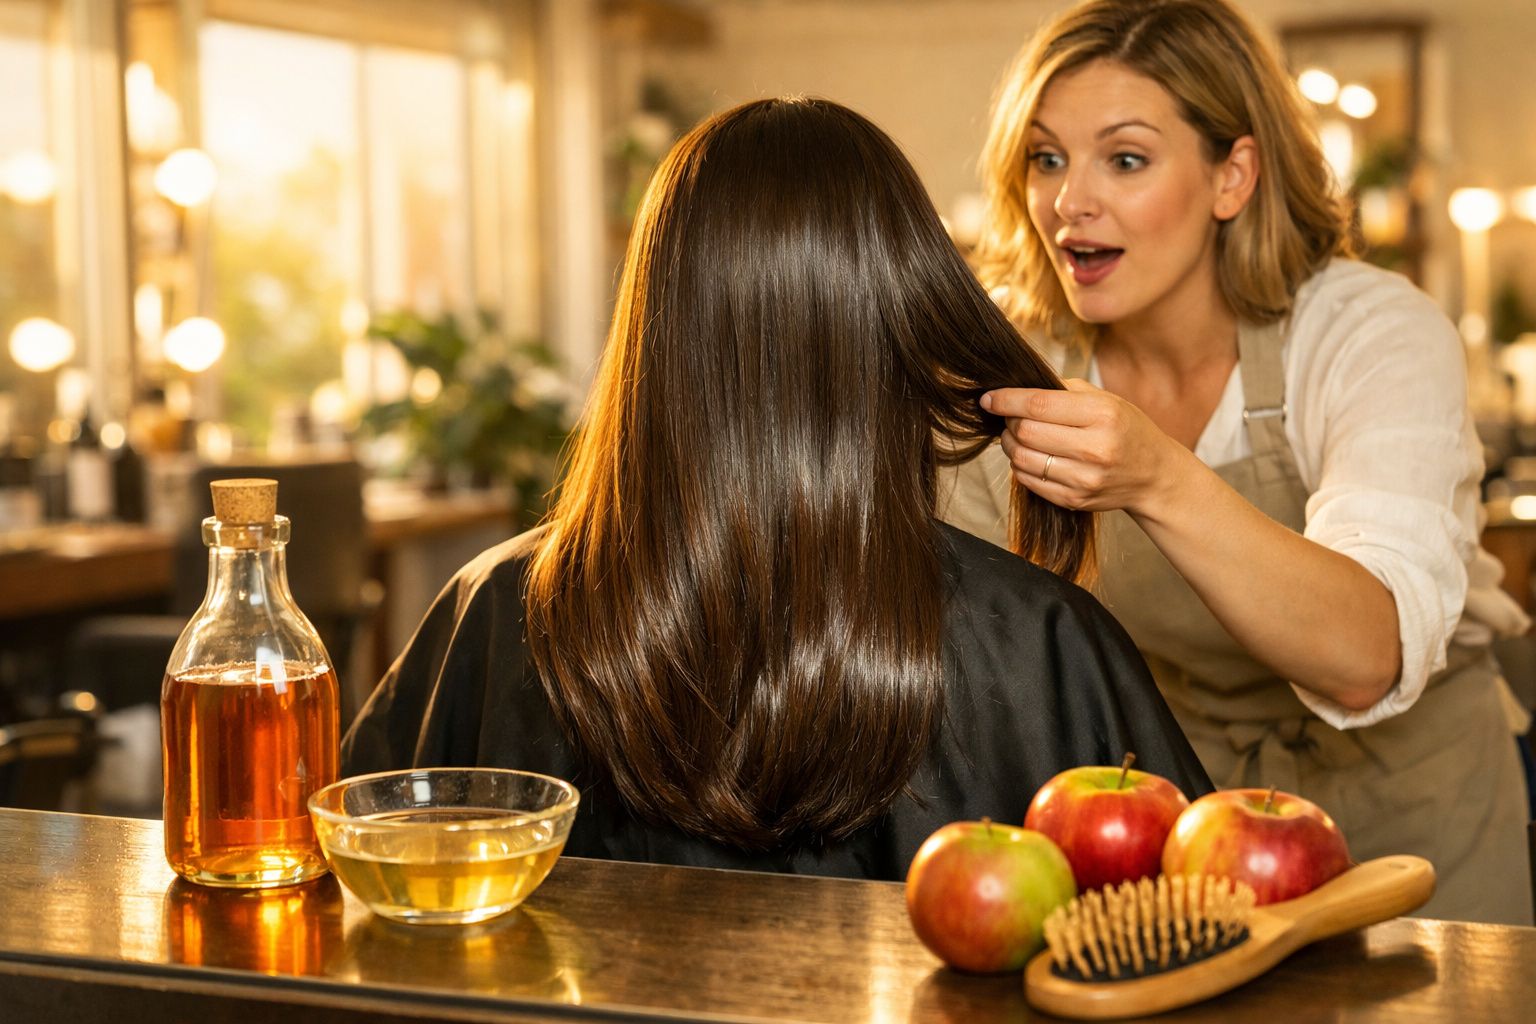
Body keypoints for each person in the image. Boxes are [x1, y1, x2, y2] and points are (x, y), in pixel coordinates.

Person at [344, 96, 1211, 879]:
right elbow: (1186, 942)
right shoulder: (1042, 640)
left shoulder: (497, 605)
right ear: (907, 321)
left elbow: (358, 895)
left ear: (654, 326)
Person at [940, 0, 1532, 923]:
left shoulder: (1367, 332)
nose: (1069, 202)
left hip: (1419, 821)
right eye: (1046, 158)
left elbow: (1363, 656)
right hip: (1180, 809)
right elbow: (969, 630)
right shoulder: (1020, 361)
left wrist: (1159, 477)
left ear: (1234, 175)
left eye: (1125, 159)